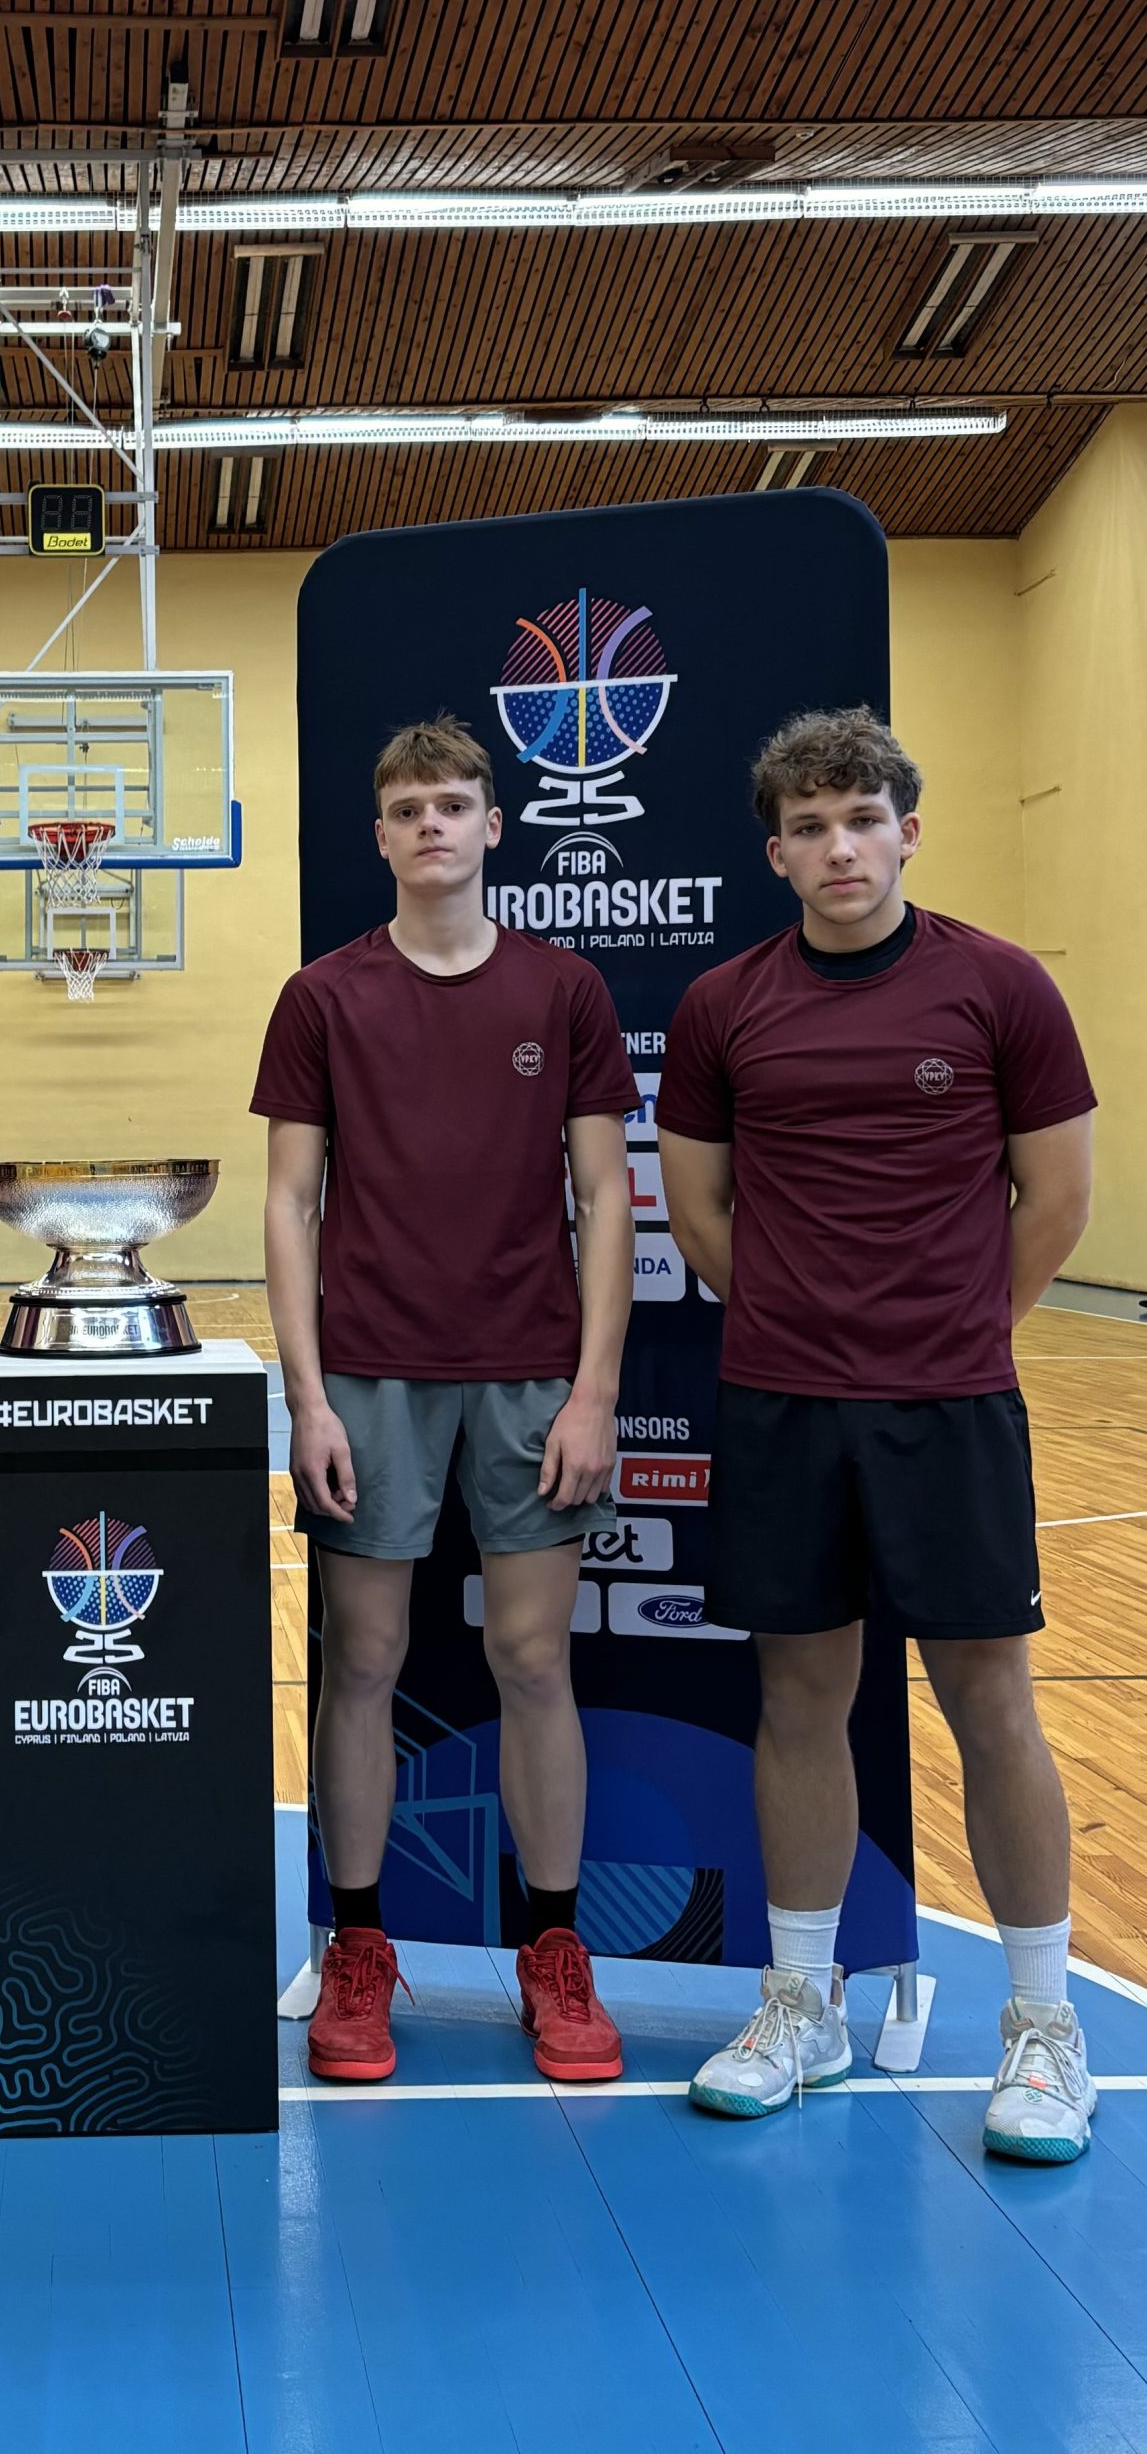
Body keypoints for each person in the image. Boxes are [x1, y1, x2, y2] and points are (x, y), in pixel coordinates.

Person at [660, 708, 1098, 2163]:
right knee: (801, 1700)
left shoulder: (1003, 987)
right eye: (810, 827)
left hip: (951, 1408)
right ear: (776, 854)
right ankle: (803, 2005)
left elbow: (1056, 1199)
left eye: (862, 820)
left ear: (908, 830)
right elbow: (701, 1213)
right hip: (782, 1403)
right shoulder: (724, 1006)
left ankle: (1043, 2027)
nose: (839, 847)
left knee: (991, 1703)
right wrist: (807, 1326)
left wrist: (957, 1332)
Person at [254, 716, 638, 2084]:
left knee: (534, 1660)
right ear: (380, 836)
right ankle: (358, 1948)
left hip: (533, 1373)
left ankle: (555, 1950)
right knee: (363, 1660)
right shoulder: (323, 997)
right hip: (370, 1374)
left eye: (454, 804)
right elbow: (289, 1203)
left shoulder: (565, 989)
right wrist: (307, 1398)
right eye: (409, 808)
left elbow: (607, 1194)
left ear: (492, 825)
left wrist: (595, 1392)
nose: (432, 825)